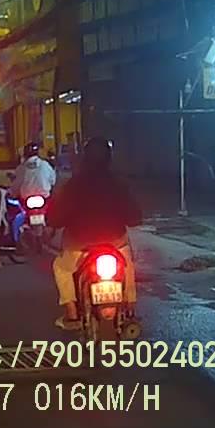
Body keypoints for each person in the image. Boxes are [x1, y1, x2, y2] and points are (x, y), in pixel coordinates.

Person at [47, 137, 142, 330]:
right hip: (115, 243)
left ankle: (71, 312)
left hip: (79, 244)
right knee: (127, 265)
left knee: (61, 267)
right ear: (109, 158)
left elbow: (56, 217)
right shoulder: (119, 184)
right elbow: (134, 217)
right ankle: (130, 306)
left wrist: (54, 222)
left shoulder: (73, 185)